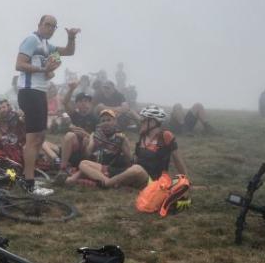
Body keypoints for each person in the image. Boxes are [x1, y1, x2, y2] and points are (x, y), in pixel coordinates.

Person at [15, 15, 80, 196]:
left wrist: (72, 37)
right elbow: (19, 64)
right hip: (30, 91)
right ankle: (29, 182)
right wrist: (44, 69)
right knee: (33, 139)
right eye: (47, 25)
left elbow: (68, 52)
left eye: (53, 26)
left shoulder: (46, 45)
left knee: (40, 138)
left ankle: (28, 177)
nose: (50, 28)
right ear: (39, 25)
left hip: (39, 92)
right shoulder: (32, 40)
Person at [80, 105, 189, 189]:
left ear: (153, 122)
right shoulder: (142, 136)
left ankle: (108, 182)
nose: (141, 122)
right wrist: (123, 151)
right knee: (83, 163)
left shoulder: (165, 136)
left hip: (152, 180)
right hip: (132, 173)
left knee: (137, 169)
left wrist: (186, 180)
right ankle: (110, 181)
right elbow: (133, 161)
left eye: (144, 120)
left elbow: (177, 160)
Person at [73, 109, 134, 186]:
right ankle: (101, 182)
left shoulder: (120, 138)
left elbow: (129, 159)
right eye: (103, 121)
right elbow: (87, 155)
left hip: (110, 169)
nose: (106, 123)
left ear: (115, 122)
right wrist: (90, 143)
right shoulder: (95, 135)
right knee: (71, 179)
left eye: (109, 120)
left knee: (82, 167)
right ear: (100, 123)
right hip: (95, 166)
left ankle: (107, 182)